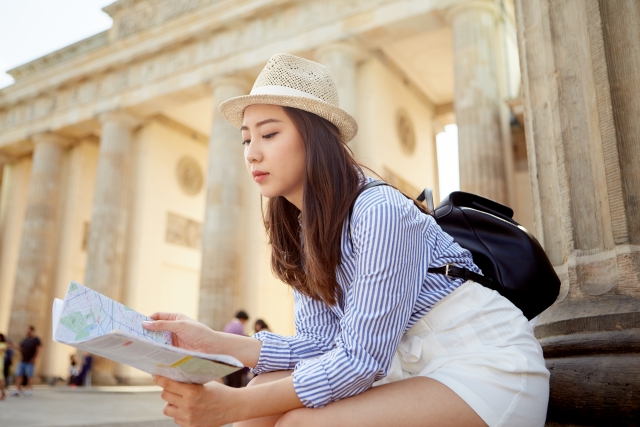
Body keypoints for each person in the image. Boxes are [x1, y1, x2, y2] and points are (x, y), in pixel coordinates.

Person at [143, 53, 550, 427]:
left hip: (483, 366)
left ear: (315, 137)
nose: (251, 153)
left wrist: (228, 406)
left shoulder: (379, 209)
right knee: (260, 391)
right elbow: (319, 344)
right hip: (407, 370)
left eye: (268, 134)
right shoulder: (306, 231)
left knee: (294, 422)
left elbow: (359, 361)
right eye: (246, 138)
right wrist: (217, 343)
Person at [222, 311, 250, 388]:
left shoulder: (228, 325)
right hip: (235, 359)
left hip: (226, 359)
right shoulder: (239, 326)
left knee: (228, 383)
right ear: (243, 319)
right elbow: (241, 342)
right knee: (236, 383)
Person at [12, 325, 41, 397]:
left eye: (28, 330)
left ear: (32, 331)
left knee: (29, 376)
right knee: (19, 375)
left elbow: (39, 350)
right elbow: (20, 347)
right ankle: (18, 390)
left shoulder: (36, 340)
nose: (27, 332)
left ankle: (29, 389)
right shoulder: (25, 339)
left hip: (30, 361)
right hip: (23, 360)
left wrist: (34, 358)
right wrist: (12, 345)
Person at [0, 334, 6, 400]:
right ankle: (3, 393)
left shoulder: (3, 345)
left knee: (0, 379)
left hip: (0, 363)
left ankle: (3, 393)